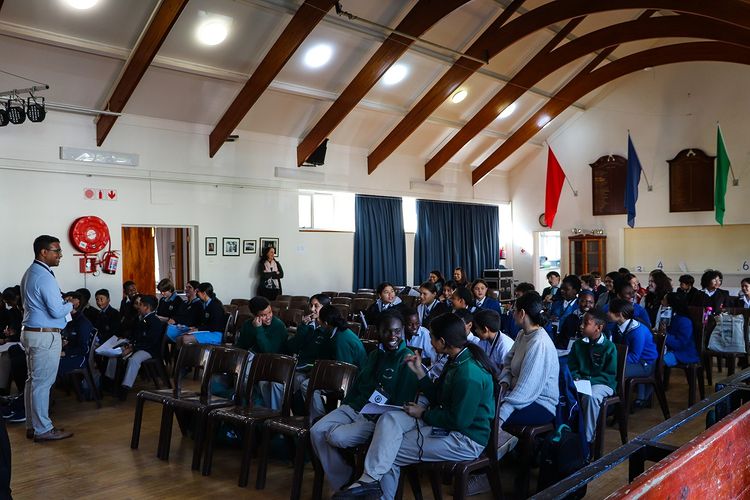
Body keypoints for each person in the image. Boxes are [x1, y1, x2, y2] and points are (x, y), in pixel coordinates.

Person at [332, 313, 496, 500]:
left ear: (442, 341)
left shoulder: (468, 373)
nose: (429, 340)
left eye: (431, 337)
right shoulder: (456, 359)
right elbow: (439, 398)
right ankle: (369, 482)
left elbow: (459, 421)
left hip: (465, 439)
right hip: (447, 424)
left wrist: (424, 413)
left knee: (389, 451)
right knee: (388, 421)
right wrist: (420, 373)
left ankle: (371, 485)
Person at [310, 310, 420, 494]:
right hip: (356, 407)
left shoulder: (406, 359)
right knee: (316, 431)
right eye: (387, 331)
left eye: (397, 331)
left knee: (335, 437)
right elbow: (358, 385)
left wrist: (371, 414)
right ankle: (343, 481)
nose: (393, 336)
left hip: (377, 417)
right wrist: (346, 405)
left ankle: (353, 483)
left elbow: (402, 403)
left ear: (402, 331)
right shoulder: (375, 355)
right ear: (379, 331)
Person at [20, 235, 74, 441]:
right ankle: (43, 429)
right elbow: (55, 310)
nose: (60, 254)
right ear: (44, 252)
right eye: (57, 250)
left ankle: (32, 425)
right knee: (42, 384)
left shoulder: (31, 272)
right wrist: (72, 304)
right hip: (45, 335)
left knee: (33, 381)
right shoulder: (44, 276)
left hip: (32, 333)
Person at [498, 292, 559, 426]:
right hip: (517, 395)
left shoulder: (539, 343)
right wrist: (504, 383)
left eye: (514, 310)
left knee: (489, 417)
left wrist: (502, 413)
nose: (512, 314)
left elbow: (526, 388)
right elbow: (508, 363)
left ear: (522, 313)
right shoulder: (522, 334)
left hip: (539, 403)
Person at [567, 308, 617, 445]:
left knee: (591, 397)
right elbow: (571, 366)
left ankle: (587, 441)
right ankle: (566, 433)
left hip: (602, 383)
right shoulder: (578, 344)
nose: (581, 325)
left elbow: (609, 375)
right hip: (581, 382)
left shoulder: (609, 347)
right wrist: (576, 376)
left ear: (598, 328)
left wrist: (589, 381)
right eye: (582, 322)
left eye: (586, 323)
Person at [104, 295, 162, 401]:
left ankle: (125, 387)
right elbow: (135, 334)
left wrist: (133, 348)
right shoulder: (140, 318)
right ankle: (110, 381)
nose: (138, 307)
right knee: (114, 353)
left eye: (140, 305)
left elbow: (150, 341)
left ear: (147, 307)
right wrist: (128, 343)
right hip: (136, 345)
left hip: (148, 350)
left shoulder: (154, 321)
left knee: (134, 360)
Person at [608, 298, 657, 405]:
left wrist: (613, 359)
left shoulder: (637, 331)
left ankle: (615, 403)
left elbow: (634, 357)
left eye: (610, 311)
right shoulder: (617, 326)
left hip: (645, 364)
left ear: (619, 314)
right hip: (631, 361)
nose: (608, 313)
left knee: (612, 371)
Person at [57, 291, 93, 379]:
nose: (63, 304)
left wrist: (63, 353)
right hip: (68, 352)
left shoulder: (82, 323)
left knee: (48, 366)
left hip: (78, 358)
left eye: (67, 301)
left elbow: (83, 349)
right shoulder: (69, 319)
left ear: (76, 304)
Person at [661, 293, 700, 367]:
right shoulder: (669, 317)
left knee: (656, 362)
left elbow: (680, 344)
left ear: (670, 304)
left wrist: (665, 334)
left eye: (664, 300)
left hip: (683, 353)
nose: (661, 302)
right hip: (670, 349)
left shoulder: (684, 321)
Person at [401, 308, 441, 374]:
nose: (415, 327)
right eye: (410, 324)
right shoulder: (400, 332)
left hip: (420, 370)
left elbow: (433, 360)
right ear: (404, 324)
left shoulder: (425, 334)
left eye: (417, 323)